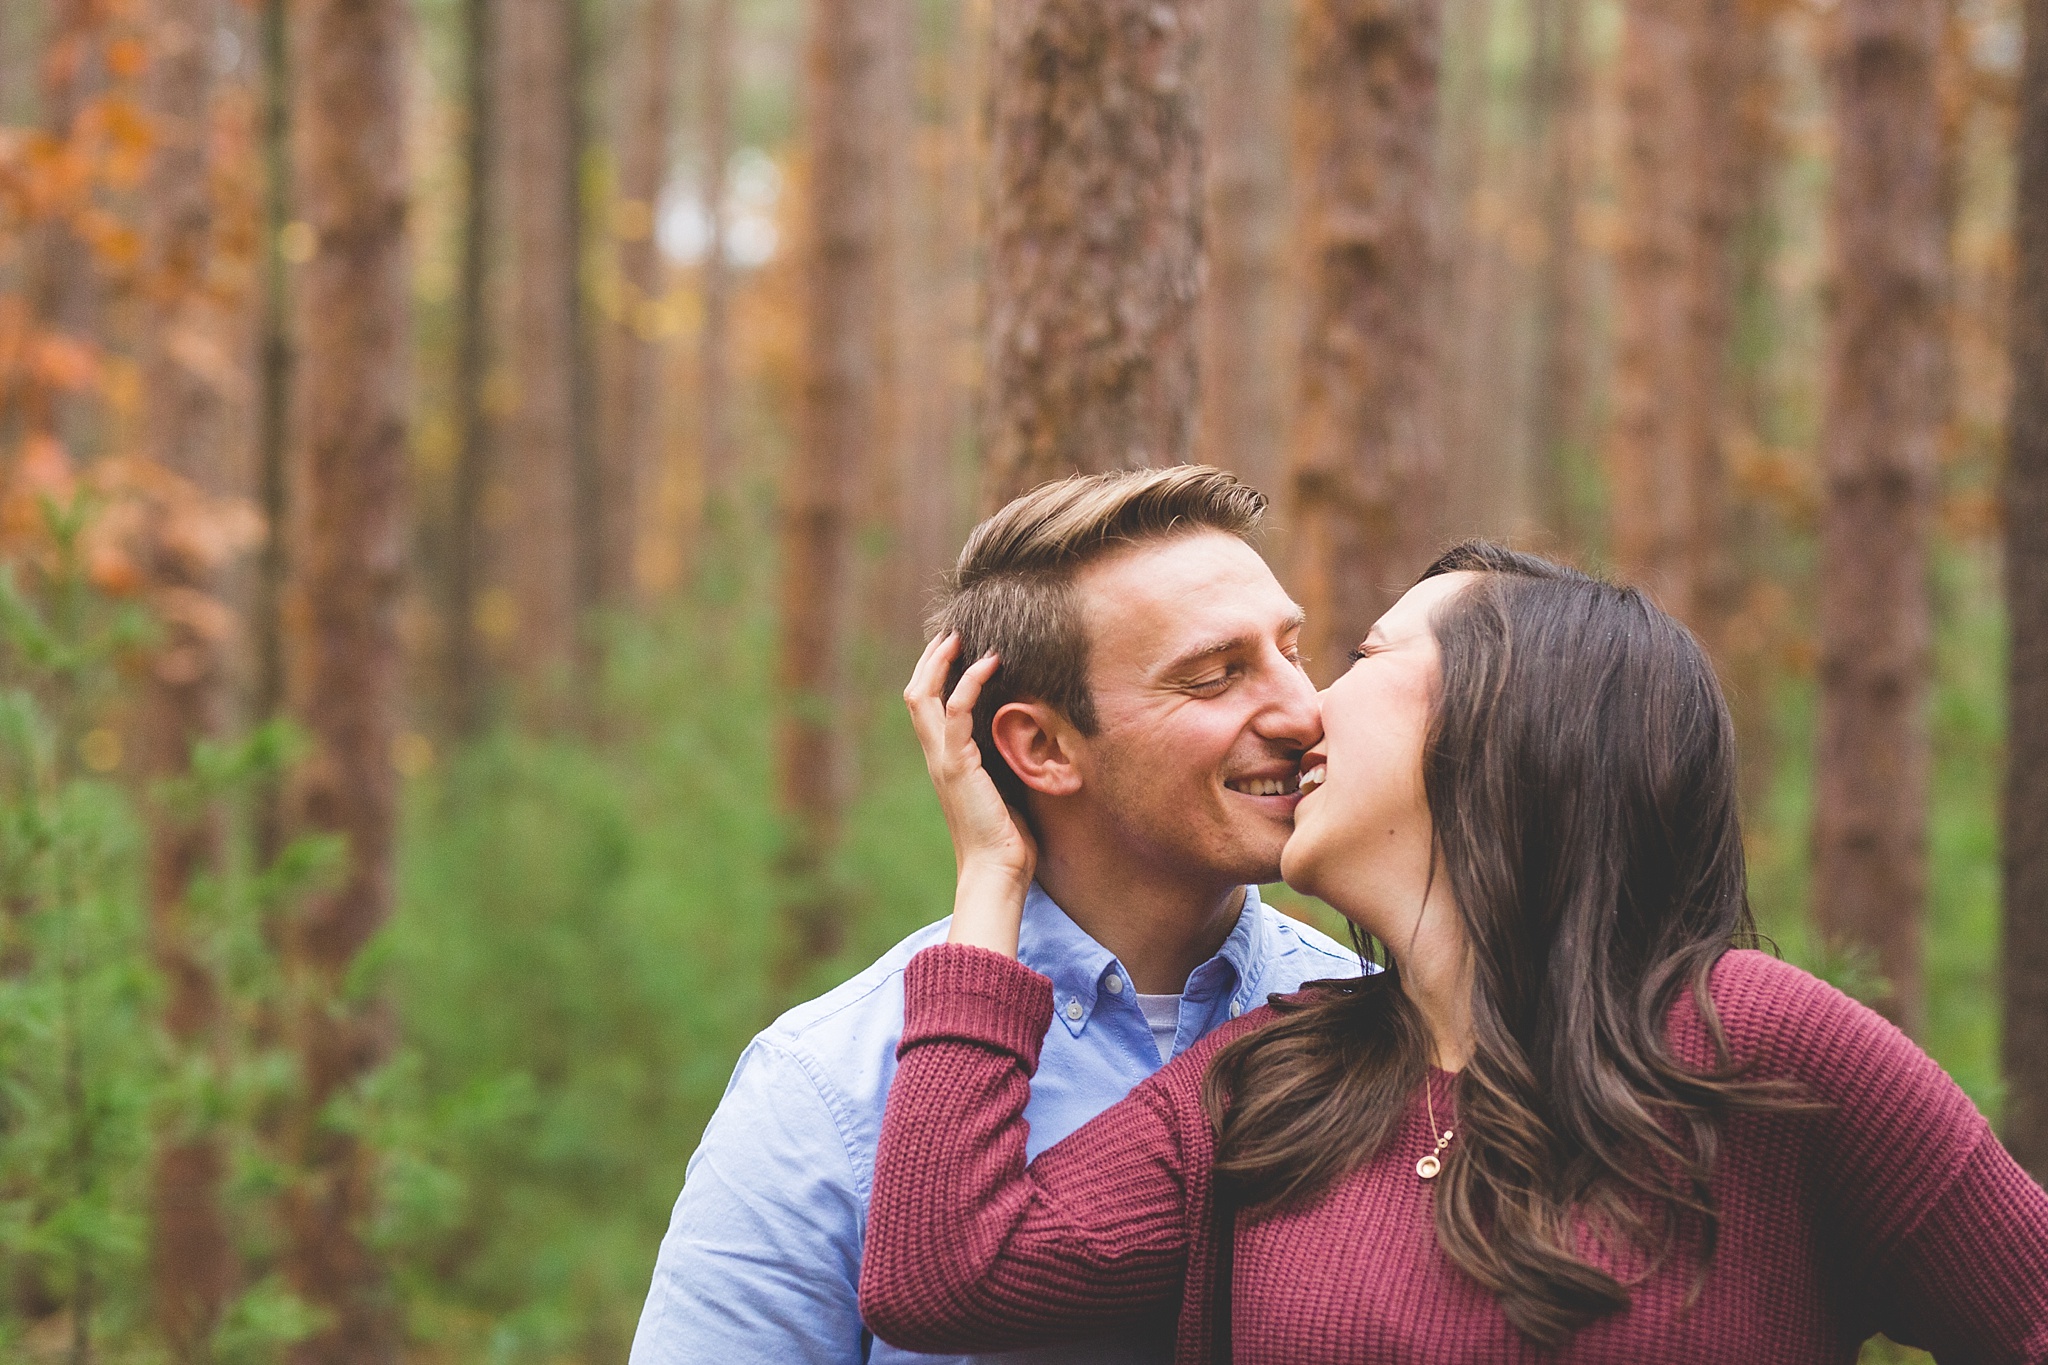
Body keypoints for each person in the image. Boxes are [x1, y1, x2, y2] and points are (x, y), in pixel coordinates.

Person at [862, 542, 2048, 1363]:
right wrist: (992, 872)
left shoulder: (1756, 1049)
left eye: (1364, 658)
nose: (1303, 709)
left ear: (1501, 721)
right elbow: (943, 1272)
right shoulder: (1267, 1080)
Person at [629, 466, 1361, 1365]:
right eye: (1215, 676)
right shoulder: (827, 1086)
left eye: (1293, 651)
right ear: (1044, 747)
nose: (1301, 710)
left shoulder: (1384, 1019)